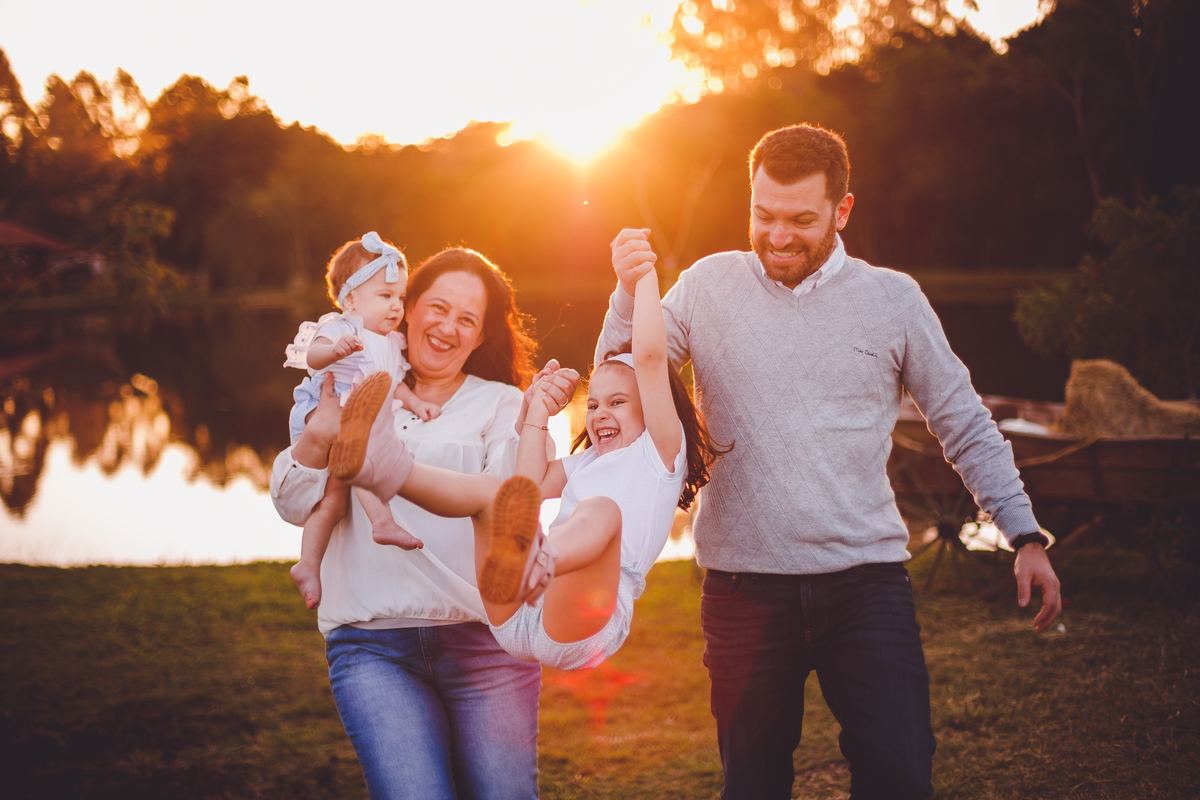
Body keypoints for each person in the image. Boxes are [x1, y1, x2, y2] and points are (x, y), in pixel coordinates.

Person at [596, 125, 1063, 800]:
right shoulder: (705, 287)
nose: (778, 236)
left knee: (901, 774)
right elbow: (618, 386)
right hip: (743, 590)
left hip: (866, 585)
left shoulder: (893, 299)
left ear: (842, 211)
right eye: (763, 215)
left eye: (800, 220)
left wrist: (1023, 534)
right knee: (753, 785)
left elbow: (963, 422)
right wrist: (626, 292)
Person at [329, 236, 726, 671]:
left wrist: (643, 275)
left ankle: (541, 558)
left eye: (617, 402)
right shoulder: (588, 462)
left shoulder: (661, 454)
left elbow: (649, 357)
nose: (599, 414)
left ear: (652, 409)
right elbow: (530, 486)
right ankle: (389, 469)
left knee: (602, 512)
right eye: (593, 404)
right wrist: (536, 412)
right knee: (492, 493)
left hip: (588, 615)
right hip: (517, 619)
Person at [270, 246, 579, 800]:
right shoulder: (353, 380)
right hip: (372, 647)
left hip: (484, 641)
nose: (448, 327)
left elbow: (515, 496)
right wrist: (316, 435)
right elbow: (294, 505)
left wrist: (535, 417)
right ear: (407, 309)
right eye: (438, 308)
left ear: (480, 337)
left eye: (467, 319)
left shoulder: (501, 403)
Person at [283, 232, 438, 609]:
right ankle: (382, 522)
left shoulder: (390, 342)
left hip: (356, 423)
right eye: (385, 296)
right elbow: (315, 355)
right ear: (350, 299)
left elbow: (394, 385)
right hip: (326, 415)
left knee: (333, 502)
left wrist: (417, 403)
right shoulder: (343, 327)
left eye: (400, 297)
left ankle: (307, 565)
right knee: (364, 458)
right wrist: (334, 351)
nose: (396, 307)